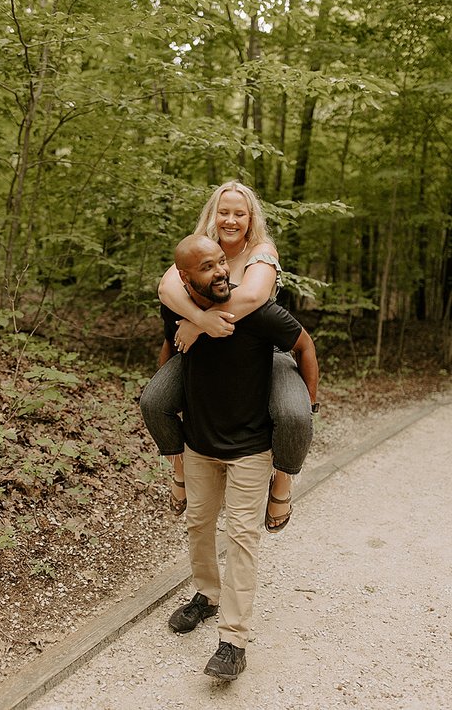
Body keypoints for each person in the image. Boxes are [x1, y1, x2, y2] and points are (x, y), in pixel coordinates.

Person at [150, 235, 318, 680]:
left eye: (222, 262)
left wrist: (308, 401)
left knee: (241, 537)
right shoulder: (178, 311)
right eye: (208, 267)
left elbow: (305, 346)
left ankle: (233, 641)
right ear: (186, 279)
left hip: (250, 448)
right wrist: (166, 379)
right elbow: (171, 348)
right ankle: (206, 596)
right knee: (199, 525)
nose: (221, 271)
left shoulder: (259, 313)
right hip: (199, 443)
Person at [140, 181, 314, 531]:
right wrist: (200, 320)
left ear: (251, 219)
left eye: (239, 213)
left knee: (294, 415)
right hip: (204, 349)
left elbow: (251, 297)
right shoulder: (201, 247)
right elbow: (167, 287)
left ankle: (282, 481)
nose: (230, 220)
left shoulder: (261, 250)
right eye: (224, 212)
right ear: (212, 215)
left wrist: (197, 321)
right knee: (154, 402)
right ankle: (180, 469)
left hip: (264, 347)